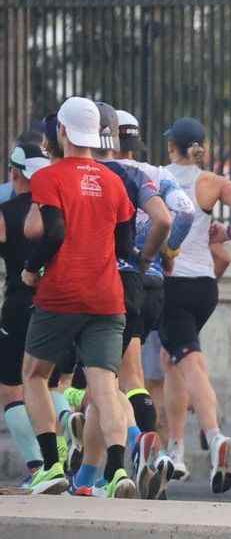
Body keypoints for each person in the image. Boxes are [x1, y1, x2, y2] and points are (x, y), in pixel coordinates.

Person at [17, 98, 136, 497]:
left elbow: (52, 232)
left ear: (63, 132)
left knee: (34, 375)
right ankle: (118, 471)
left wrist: (31, 270)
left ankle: (50, 465)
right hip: (107, 296)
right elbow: (125, 245)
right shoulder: (114, 180)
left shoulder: (49, 177)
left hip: (61, 294)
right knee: (104, 384)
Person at [159, 117, 231, 493]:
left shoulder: (158, 176)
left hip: (173, 284)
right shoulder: (212, 182)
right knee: (172, 361)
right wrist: (228, 232)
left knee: (189, 363)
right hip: (205, 285)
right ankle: (177, 449)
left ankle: (213, 435)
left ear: (172, 147)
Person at [88, 102, 174, 500]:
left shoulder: (83, 174)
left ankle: (113, 463)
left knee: (83, 384)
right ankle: (110, 466)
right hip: (137, 283)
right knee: (130, 378)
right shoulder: (140, 174)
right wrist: (146, 257)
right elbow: (171, 218)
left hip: (91, 284)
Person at [113, 110, 195, 489]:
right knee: (133, 376)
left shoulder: (106, 171)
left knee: (108, 378)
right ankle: (136, 459)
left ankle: (135, 455)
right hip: (154, 285)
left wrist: (140, 254)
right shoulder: (157, 175)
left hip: (116, 279)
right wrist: (167, 252)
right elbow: (184, 211)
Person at [2, 141, 54, 489]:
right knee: (50, 385)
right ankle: (61, 456)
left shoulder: (5, 214)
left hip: (18, 308)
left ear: (15, 172)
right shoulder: (54, 212)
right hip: (55, 305)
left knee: (11, 390)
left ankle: (38, 467)